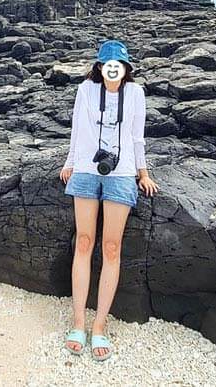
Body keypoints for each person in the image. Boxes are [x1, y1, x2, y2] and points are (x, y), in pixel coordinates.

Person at [58, 39, 159, 361]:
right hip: (87, 170)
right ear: (99, 67)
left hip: (121, 172)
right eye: (106, 64)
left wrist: (143, 173)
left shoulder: (136, 93)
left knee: (111, 247)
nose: (112, 70)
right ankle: (77, 322)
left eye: (119, 65)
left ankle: (99, 326)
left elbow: (137, 135)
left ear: (126, 68)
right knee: (84, 242)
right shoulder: (86, 90)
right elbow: (76, 129)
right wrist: (70, 163)